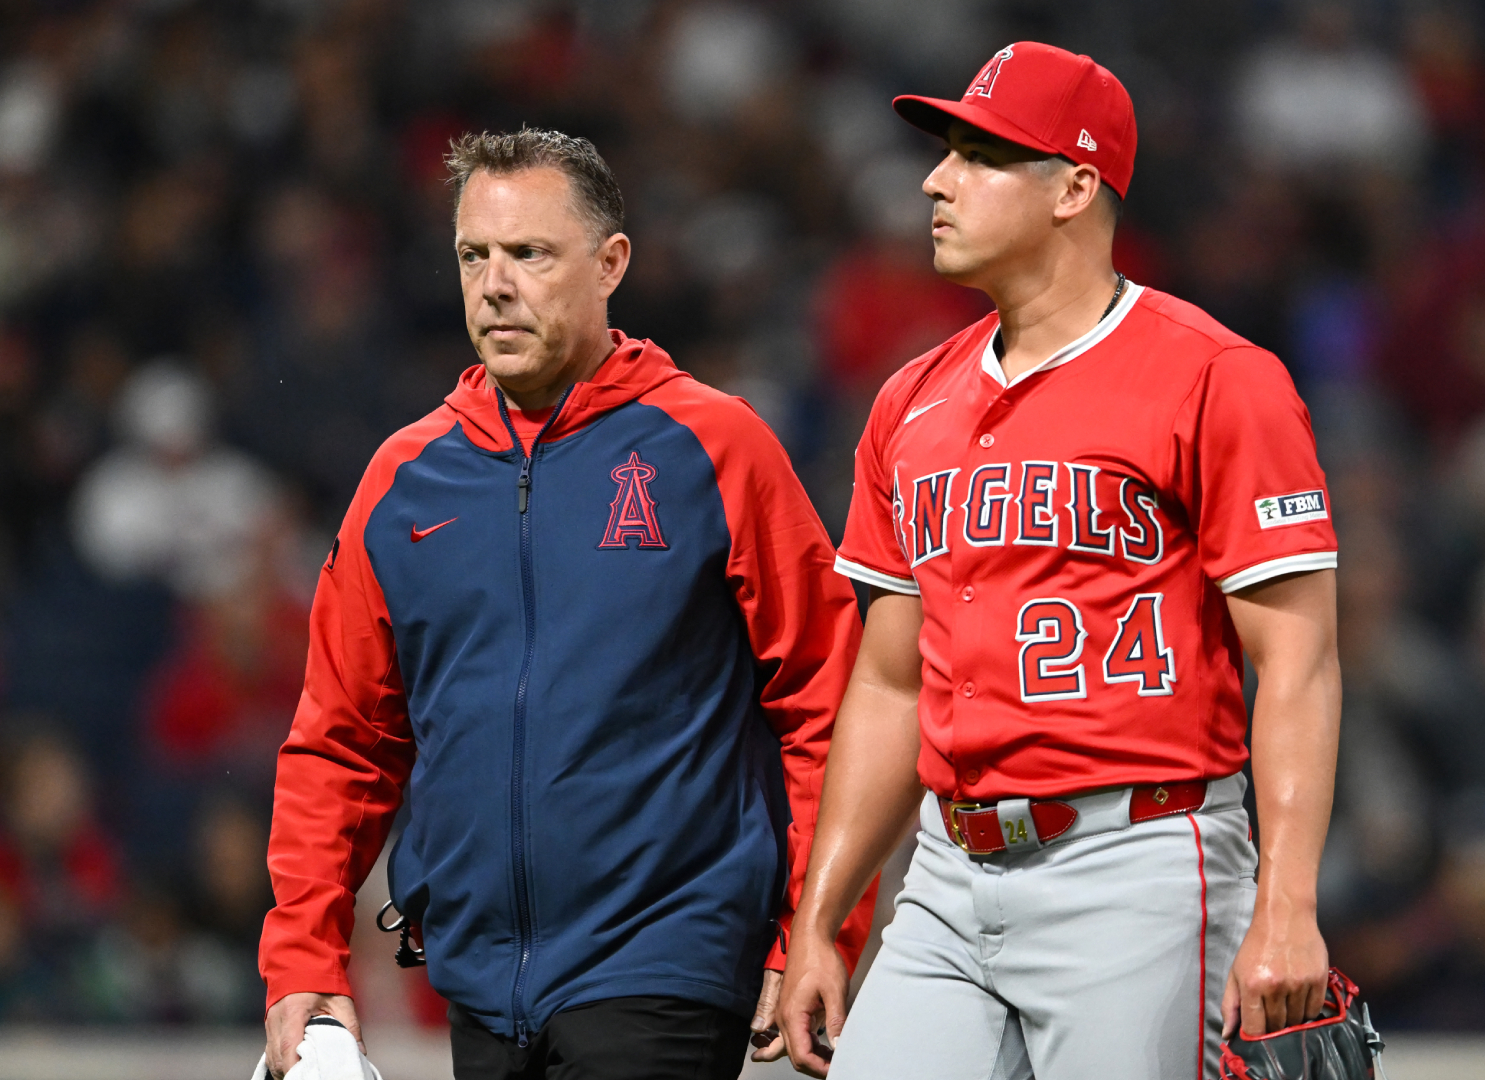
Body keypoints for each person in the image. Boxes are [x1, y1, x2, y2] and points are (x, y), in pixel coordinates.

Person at [773, 43, 1343, 1079]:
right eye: (946, 153)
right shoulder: (909, 401)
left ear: (1075, 188)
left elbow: (1297, 661)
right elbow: (892, 682)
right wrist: (822, 918)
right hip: (948, 875)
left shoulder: (1217, 377)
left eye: (980, 157)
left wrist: (1288, 908)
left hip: (1137, 860)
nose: (935, 181)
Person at [258, 128, 874, 1080]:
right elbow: (342, 741)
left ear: (610, 263)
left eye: (530, 254)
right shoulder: (403, 481)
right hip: (475, 978)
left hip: (666, 960)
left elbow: (829, 706)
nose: (495, 285)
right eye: (474, 255)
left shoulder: (717, 449)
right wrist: (304, 956)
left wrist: (818, 927)